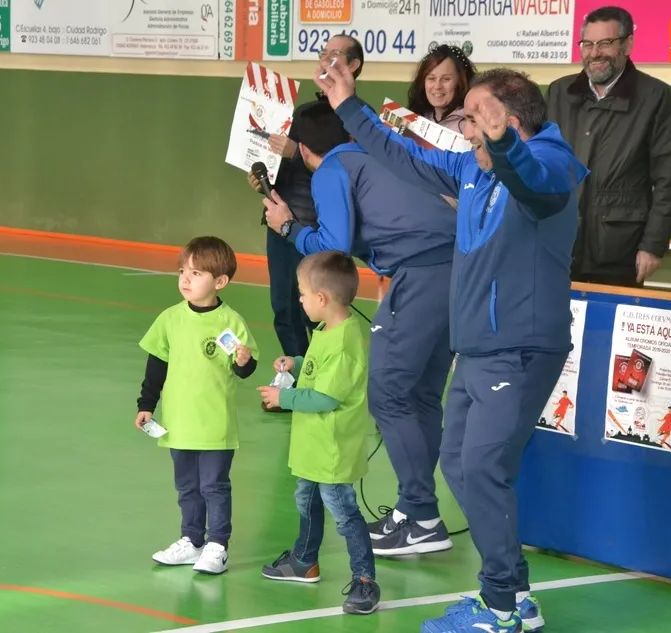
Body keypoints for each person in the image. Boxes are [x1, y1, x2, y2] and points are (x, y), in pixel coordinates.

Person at [315, 61, 588, 633]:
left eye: (472, 119)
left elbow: (534, 184)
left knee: (483, 467)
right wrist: (348, 106)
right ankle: (515, 595)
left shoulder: (551, 165)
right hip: (479, 349)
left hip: (518, 348)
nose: (463, 130)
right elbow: (404, 155)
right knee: (460, 463)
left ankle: (500, 607)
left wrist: (503, 143)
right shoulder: (472, 166)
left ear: (507, 120)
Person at [262, 99, 459, 556]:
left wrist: (288, 227)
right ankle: (417, 513)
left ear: (303, 148)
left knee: (387, 392)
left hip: (420, 273)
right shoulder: (374, 154)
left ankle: (421, 516)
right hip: (458, 268)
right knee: (421, 394)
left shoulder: (332, 168)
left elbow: (333, 248)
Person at [255, 250, 380, 615]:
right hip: (314, 446)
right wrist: (295, 363)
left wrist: (283, 397)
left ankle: (365, 580)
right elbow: (316, 369)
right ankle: (304, 560)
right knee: (306, 500)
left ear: (321, 299)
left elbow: (325, 397)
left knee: (343, 511)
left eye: (302, 294)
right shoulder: (327, 330)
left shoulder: (344, 345)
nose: (300, 300)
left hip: (332, 449)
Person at [245, 34, 365, 413]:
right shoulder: (302, 113)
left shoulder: (359, 118)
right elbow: (288, 166)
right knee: (285, 306)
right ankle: (295, 377)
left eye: (335, 55)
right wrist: (265, 180)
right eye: (323, 53)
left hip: (319, 230)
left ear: (353, 65)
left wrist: (296, 153)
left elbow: (344, 167)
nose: (326, 60)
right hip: (282, 220)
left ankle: (321, 380)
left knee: (320, 309)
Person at [134, 235, 259, 575]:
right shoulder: (170, 319)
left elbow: (244, 369)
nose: (185, 279)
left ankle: (218, 545)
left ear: (220, 282)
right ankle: (192, 540)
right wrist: (146, 404)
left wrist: (244, 361)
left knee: (214, 486)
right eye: (182, 272)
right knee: (187, 487)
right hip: (179, 423)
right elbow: (156, 365)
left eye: (196, 273)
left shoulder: (231, 322)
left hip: (215, 425)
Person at [546, 6, 671, 288]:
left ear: (628, 44)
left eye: (605, 43)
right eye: (588, 44)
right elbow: (539, 164)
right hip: (558, 245)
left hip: (620, 251)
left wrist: (653, 245)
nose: (595, 52)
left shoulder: (655, 96)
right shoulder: (558, 92)